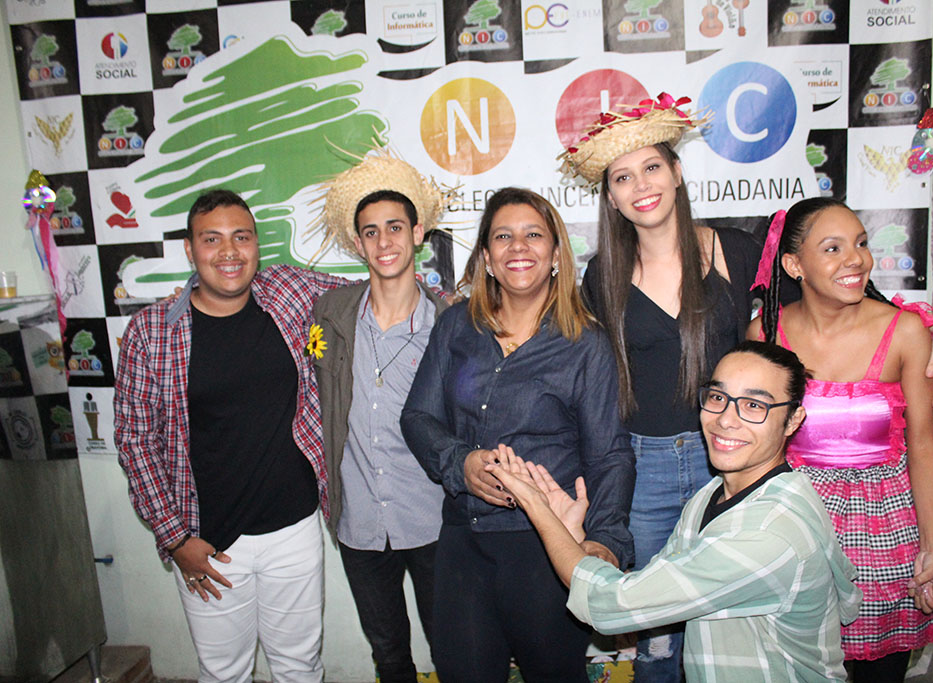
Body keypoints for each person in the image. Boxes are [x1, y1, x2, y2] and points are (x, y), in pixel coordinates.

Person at [559, 93, 933, 682]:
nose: (640, 185)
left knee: (731, 624)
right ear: (611, 196)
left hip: (733, 456)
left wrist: (928, 321)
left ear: (676, 172)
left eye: (652, 167)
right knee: (656, 636)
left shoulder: (736, 250)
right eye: (623, 177)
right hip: (645, 469)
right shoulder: (603, 273)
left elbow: (824, 295)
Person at [489, 341, 863, 683]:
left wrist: (537, 508)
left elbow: (608, 605)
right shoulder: (713, 494)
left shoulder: (767, 534)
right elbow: (650, 585)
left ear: (793, 420)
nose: (726, 419)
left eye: (754, 405)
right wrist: (573, 536)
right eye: (717, 397)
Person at [751, 197, 933, 681]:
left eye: (861, 243)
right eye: (833, 248)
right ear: (794, 265)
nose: (856, 259)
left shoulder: (905, 331)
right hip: (798, 522)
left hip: (885, 528)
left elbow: (923, 443)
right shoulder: (766, 333)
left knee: (879, 672)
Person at [400, 187, 636, 683]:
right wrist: (460, 462)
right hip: (463, 542)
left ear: (556, 254)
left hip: (547, 549)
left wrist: (605, 541)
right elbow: (418, 417)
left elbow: (610, 456)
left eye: (534, 235)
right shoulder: (455, 326)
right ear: (486, 258)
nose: (519, 247)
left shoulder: (585, 344)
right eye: (503, 237)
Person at [114, 189, 342, 682]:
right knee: (223, 673)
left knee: (301, 667)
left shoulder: (287, 291)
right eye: (212, 239)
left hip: (294, 530)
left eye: (241, 237)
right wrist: (175, 539)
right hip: (207, 541)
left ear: (257, 244)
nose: (229, 252)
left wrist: (451, 300)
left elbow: (373, 293)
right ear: (190, 250)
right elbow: (135, 441)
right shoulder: (152, 332)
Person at [310, 151, 448, 683]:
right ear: (358, 242)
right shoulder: (331, 313)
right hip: (360, 524)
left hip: (435, 520)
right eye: (371, 231)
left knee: (454, 651)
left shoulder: (451, 322)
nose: (384, 241)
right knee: (389, 657)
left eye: (395, 227)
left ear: (417, 233)